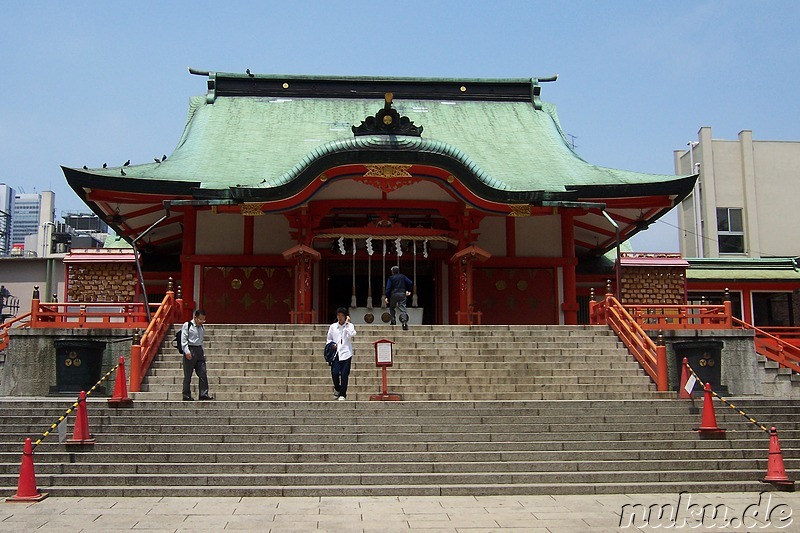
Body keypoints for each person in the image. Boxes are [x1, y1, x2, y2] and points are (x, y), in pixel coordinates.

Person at [181, 309, 214, 401]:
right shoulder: (187, 325)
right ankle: (186, 394)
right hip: (190, 349)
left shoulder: (201, 327)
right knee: (188, 375)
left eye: (203, 320)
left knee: (203, 373)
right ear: (195, 318)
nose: (202, 322)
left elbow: (201, 341)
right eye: (200, 319)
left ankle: (203, 394)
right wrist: (187, 351)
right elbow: (183, 339)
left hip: (199, 350)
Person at [326, 307, 356, 400]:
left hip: (346, 353)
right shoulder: (333, 327)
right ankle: (337, 388)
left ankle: (343, 394)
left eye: (342, 315)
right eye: (338, 315)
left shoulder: (350, 326)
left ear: (345, 316)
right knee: (334, 373)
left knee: (344, 374)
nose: (340, 317)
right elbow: (329, 339)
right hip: (336, 353)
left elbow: (352, 334)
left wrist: (347, 324)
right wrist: (332, 345)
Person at [385, 265, 413, 330]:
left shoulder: (391, 278)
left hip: (394, 294)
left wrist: (387, 296)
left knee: (392, 307)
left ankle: (393, 320)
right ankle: (404, 323)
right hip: (402, 293)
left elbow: (388, 288)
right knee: (403, 308)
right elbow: (410, 282)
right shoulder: (403, 276)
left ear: (392, 271)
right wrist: (409, 290)